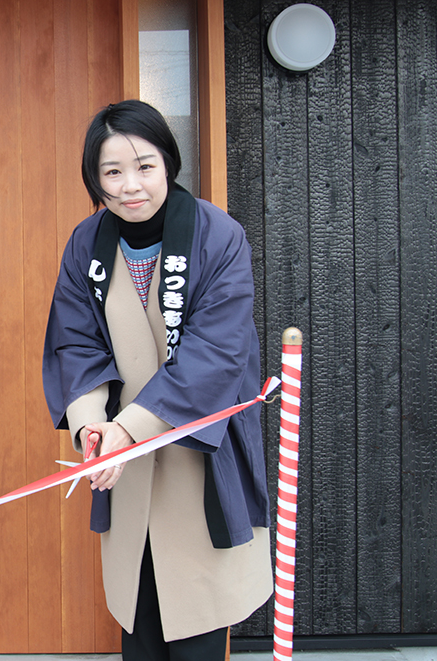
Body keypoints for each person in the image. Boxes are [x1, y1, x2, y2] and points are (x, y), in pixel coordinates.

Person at [42, 100, 272, 660]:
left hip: (199, 447)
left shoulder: (218, 235)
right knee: (140, 613)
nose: (129, 186)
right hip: (123, 459)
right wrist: (92, 429)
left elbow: (216, 352)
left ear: (168, 163)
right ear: (94, 179)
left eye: (144, 166)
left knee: (195, 611)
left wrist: (129, 429)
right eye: (112, 172)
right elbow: (75, 343)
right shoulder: (86, 242)